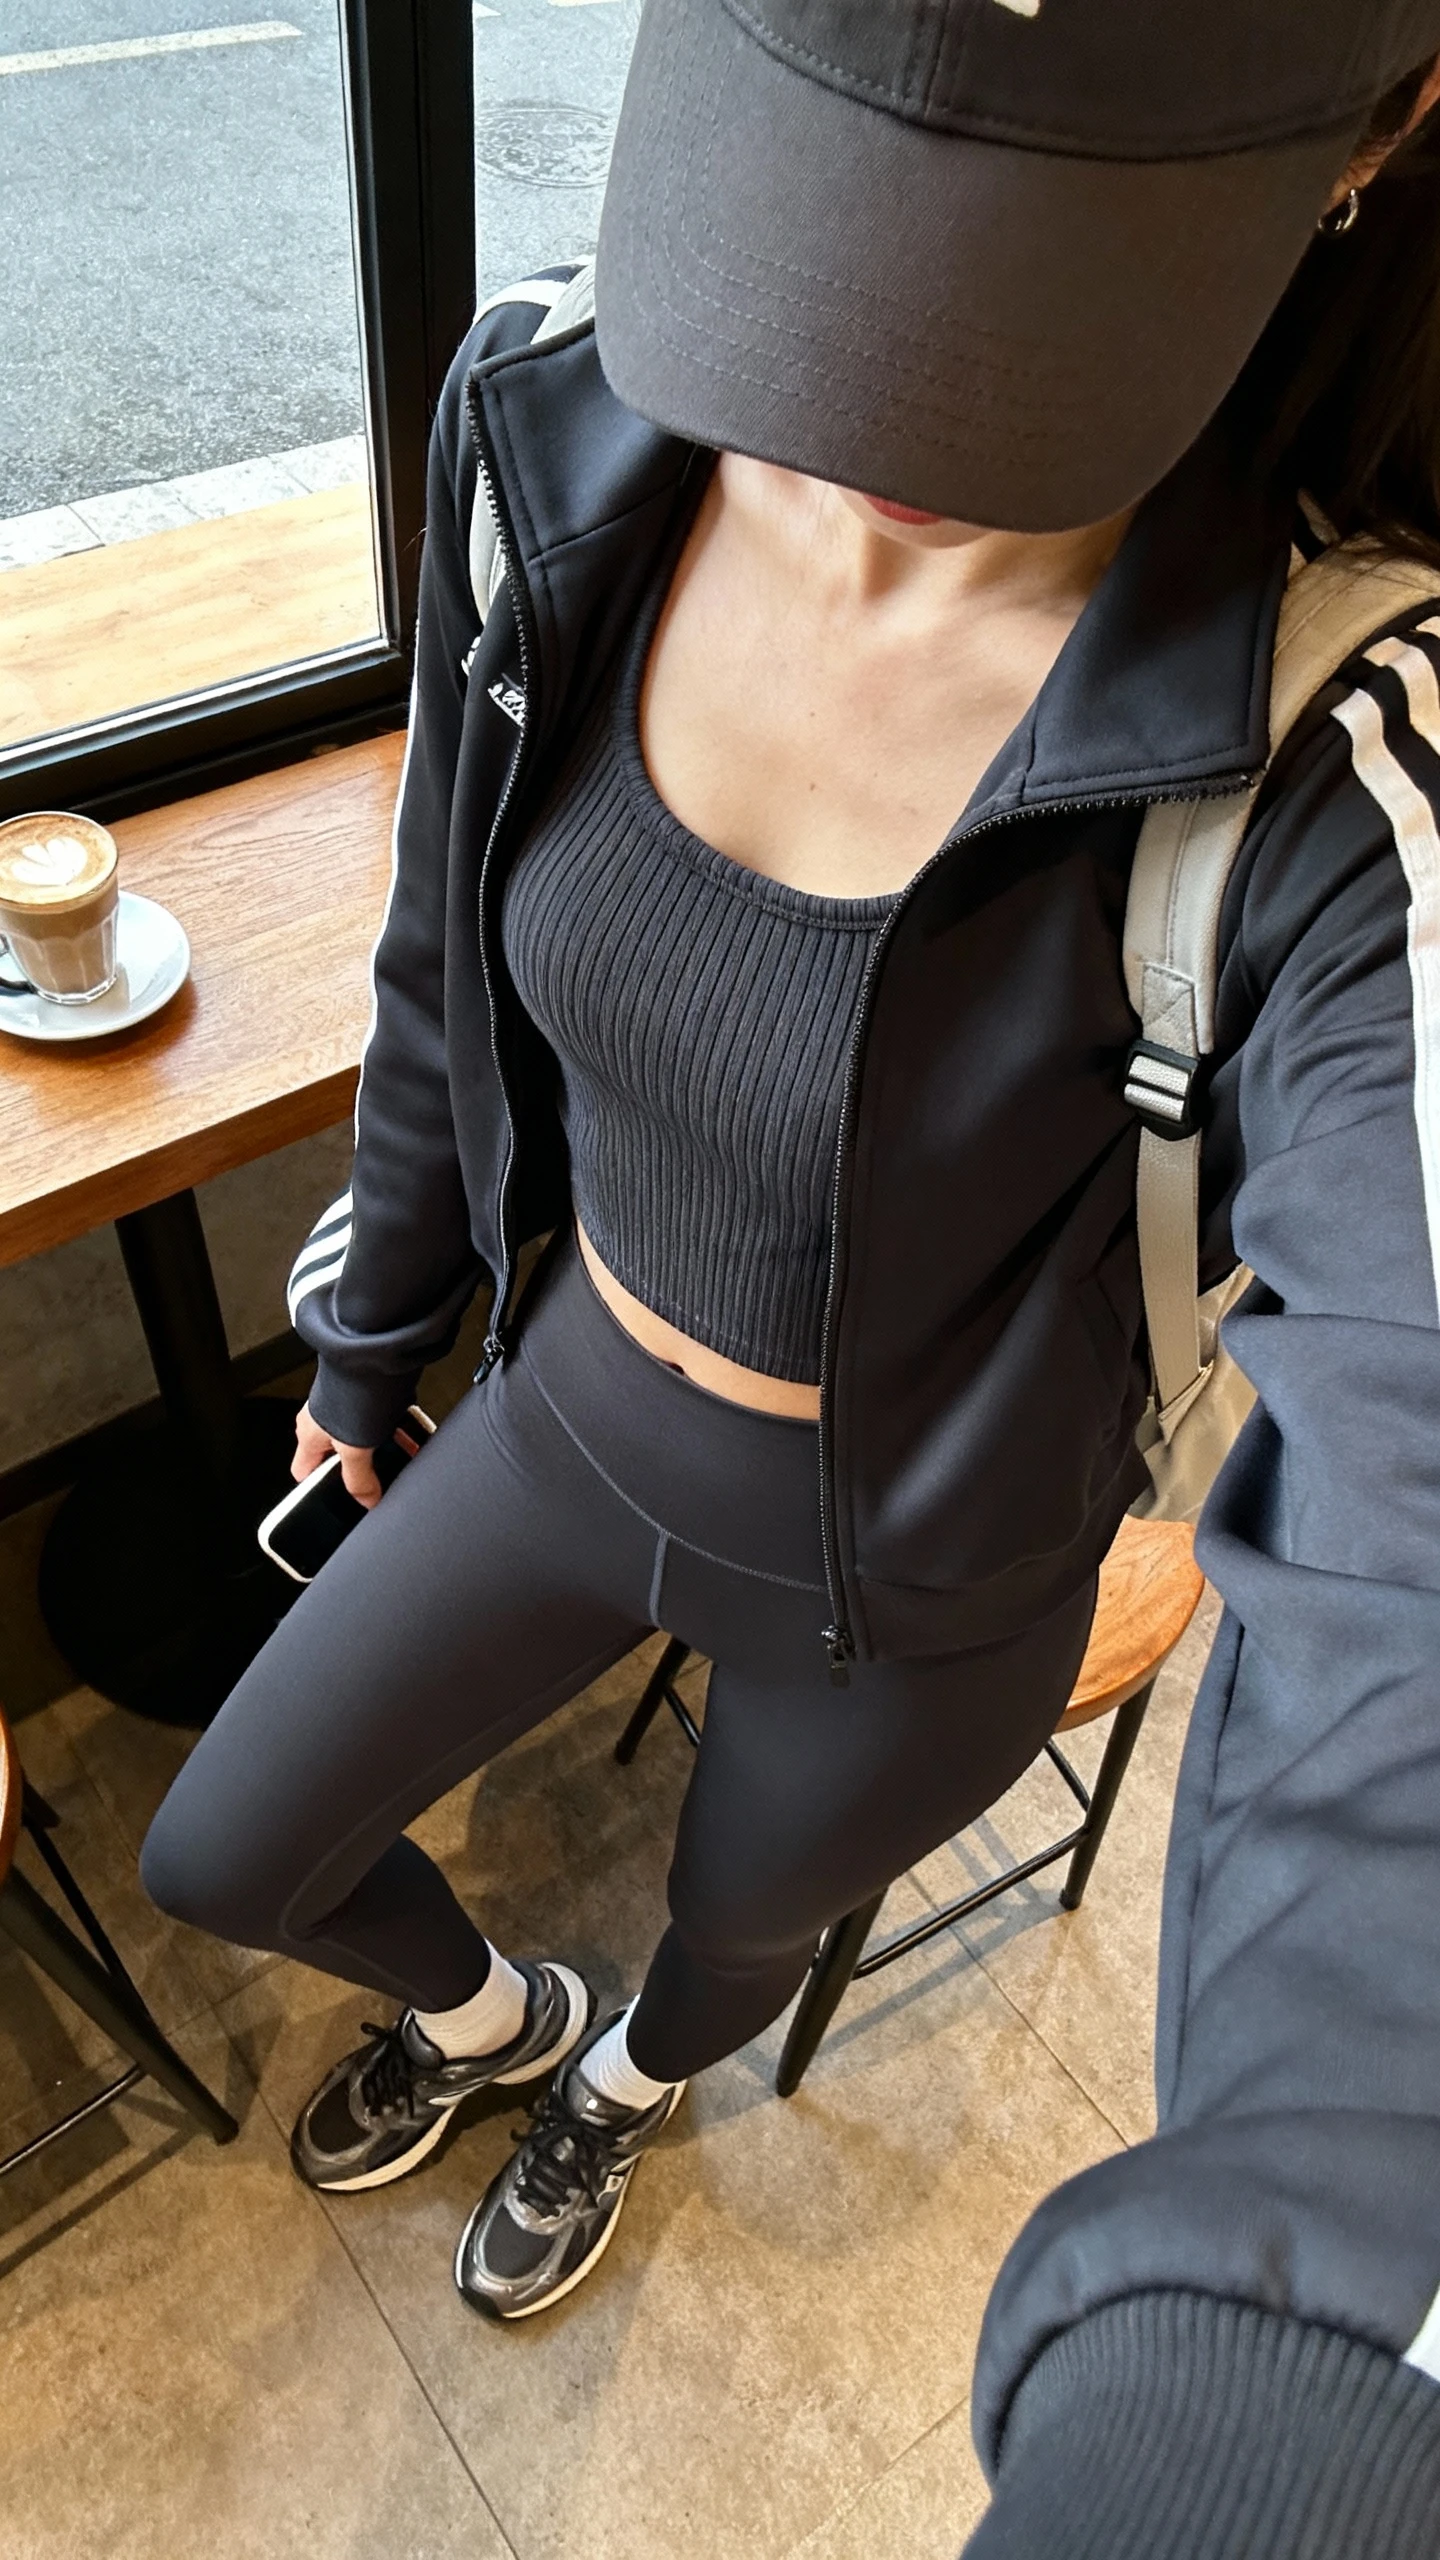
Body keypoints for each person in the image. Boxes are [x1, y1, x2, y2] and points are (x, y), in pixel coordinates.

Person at [142, 0, 1440, 2543]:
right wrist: (378, 1323)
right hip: (563, 1416)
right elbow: (434, 959)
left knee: (729, 1950)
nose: (857, 421)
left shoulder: (1336, 739)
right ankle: (507, 2018)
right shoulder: (550, 436)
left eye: (1017, 302)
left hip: (919, 1592)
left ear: (1382, 129)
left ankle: (618, 2086)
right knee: (229, 1843)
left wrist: (1303, 2386)